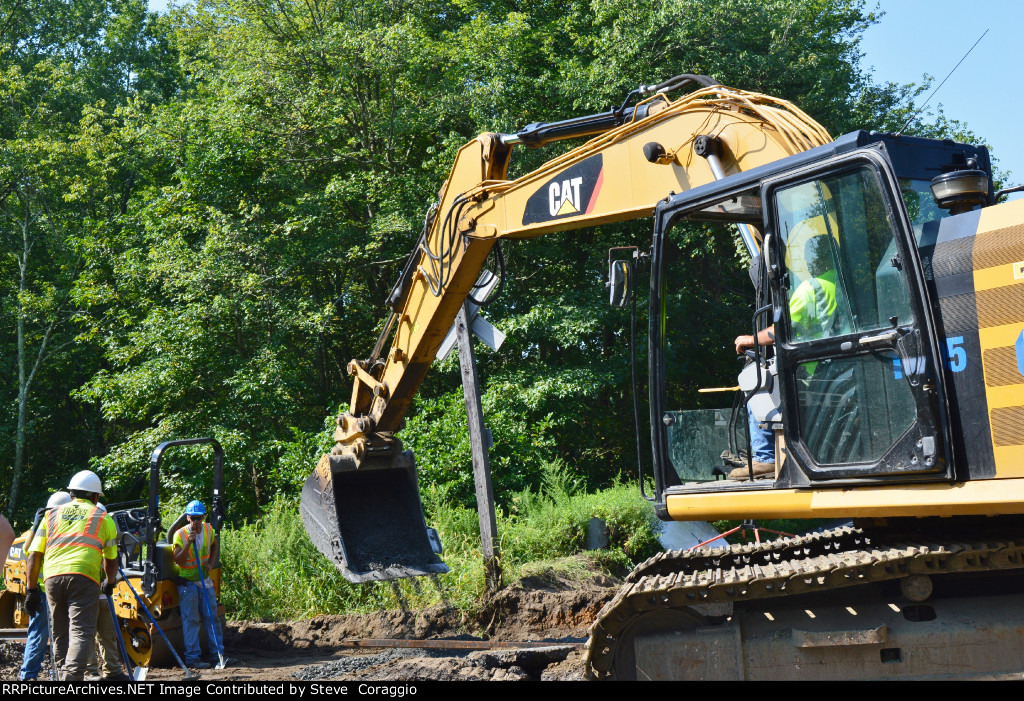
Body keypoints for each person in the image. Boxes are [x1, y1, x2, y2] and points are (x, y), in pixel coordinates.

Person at [732, 235, 838, 480]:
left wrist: (750, 339)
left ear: (814, 260)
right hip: (834, 368)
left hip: (810, 372)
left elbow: (782, 329)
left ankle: (765, 458)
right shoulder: (841, 284)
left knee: (756, 385)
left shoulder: (812, 288)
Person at [25, 471, 118, 681]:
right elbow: (111, 558)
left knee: (59, 632)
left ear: (71, 494)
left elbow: (33, 554)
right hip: (84, 577)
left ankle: (61, 675)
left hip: (52, 578)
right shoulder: (102, 517)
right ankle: (71, 679)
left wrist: (31, 590)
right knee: (81, 631)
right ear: (95, 497)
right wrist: (109, 582)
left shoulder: (52, 515)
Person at [19, 491, 72, 681]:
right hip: (47, 591)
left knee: (46, 635)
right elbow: (28, 550)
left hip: (49, 589)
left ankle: (48, 675)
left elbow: (28, 549)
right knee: (46, 635)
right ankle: (31, 676)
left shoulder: (46, 525)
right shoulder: (56, 527)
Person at [171, 500, 224, 669]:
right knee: (191, 621)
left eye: (199, 518)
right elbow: (178, 560)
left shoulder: (208, 529)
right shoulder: (180, 534)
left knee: (212, 618)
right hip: (188, 584)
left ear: (203, 517)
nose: (196, 521)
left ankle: (218, 656)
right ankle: (193, 658)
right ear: (187, 518)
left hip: (204, 581)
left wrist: (211, 562)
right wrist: (188, 542)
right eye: (193, 518)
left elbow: (215, 545)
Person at [85, 502, 129, 681]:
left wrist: (110, 582)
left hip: (106, 595)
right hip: (90, 594)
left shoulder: (107, 536)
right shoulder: (87, 543)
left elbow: (111, 560)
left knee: (108, 635)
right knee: (87, 635)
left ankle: (113, 670)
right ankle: (91, 671)